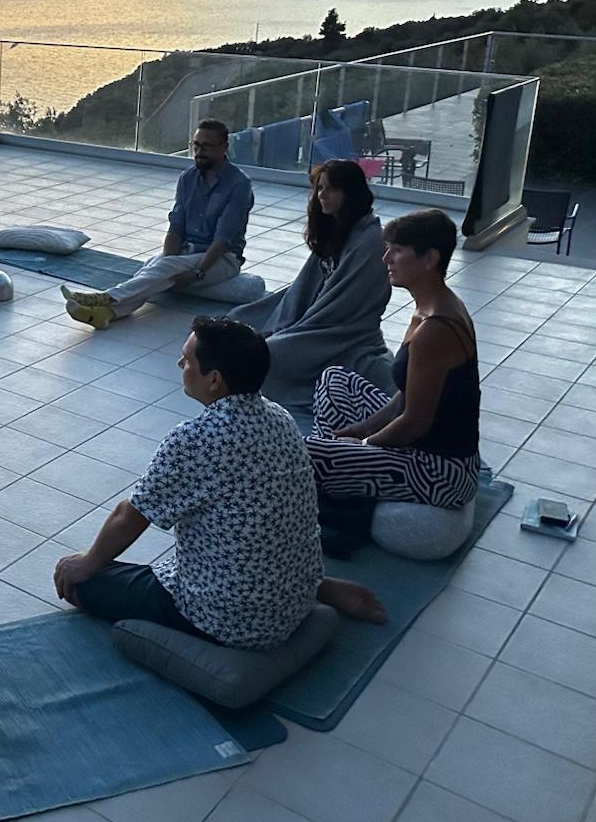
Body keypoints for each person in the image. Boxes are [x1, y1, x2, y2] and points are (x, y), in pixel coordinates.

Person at [52, 317, 385, 646]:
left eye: (187, 359)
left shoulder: (194, 440)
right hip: (293, 594)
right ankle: (317, 587)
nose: (179, 363)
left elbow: (131, 517)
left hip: (227, 617)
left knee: (79, 581)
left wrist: (87, 563)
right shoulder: (280, 417)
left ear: (214, 379)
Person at [307, 210, 481, 509]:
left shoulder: (436, 328)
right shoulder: (430, 306)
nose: (386, 258)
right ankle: (336, 476)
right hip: (417, 446)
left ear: (430, 259)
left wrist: (364, 445)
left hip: (442, 471)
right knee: (335, 379)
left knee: (306, 454)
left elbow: (415, 422)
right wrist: (364, 428)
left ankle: (332, 479)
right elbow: (408, 393)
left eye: (397, 250)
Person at [228, 160, 393, 411]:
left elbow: (341, 303)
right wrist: (287, 322)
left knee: (268, 353)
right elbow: (304, 287)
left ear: (350, 193)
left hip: (342, 331)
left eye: (330, 189)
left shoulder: (369, 241)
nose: (322, 195)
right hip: (315, 316)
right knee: (238, 320)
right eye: (319, 188)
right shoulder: (336, 227)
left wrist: (296, 331)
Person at [61, 120, 253, 328]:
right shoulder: (187, 178)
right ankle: (108, 314)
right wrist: (169, 258)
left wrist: (197, 273)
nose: (199, 152)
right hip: (188, 251)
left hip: (222, 259)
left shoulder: (239, 184)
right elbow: (176, 227)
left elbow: (223, 239)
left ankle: (106, 298)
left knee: (163, 268)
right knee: (152, 268)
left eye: (206, 146)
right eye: (196, 145)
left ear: (224, 147)